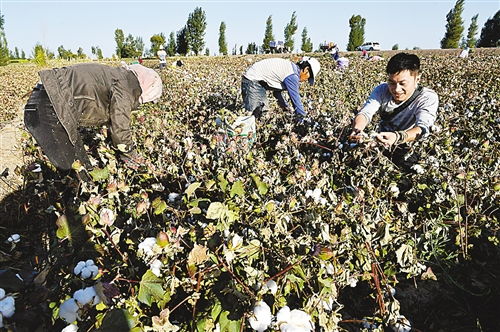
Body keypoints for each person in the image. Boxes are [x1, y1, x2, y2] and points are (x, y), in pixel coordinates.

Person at [24, 63, 162, 174]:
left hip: (50, 100)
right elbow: (120, 126)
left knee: (83, 165)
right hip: (49, 105)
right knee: (70, 169)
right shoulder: (126, 86)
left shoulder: (118, 76)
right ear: (148, 88)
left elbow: (110, 114)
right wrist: (130, 155)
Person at [348, 52, 439, 168]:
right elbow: (365, 113)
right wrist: (357, 130)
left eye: (402, 83)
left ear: (417, 79)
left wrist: (397, 137)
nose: (396, 89)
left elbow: (423, 128)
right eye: (392, 83)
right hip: (380, 140)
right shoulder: (382, 90)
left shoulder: (427, 97)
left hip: (409, 145)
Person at [241, 56, 320, 123]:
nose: (306, 80)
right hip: (252, 81)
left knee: (262, 113)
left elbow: (277, 93)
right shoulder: (292, 76)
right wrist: (302, 117)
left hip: (258, 82)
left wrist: (285, 107)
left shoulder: (290, 70)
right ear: (306, 69)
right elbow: (295, 98)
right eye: (309, 77)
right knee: (255, 114)